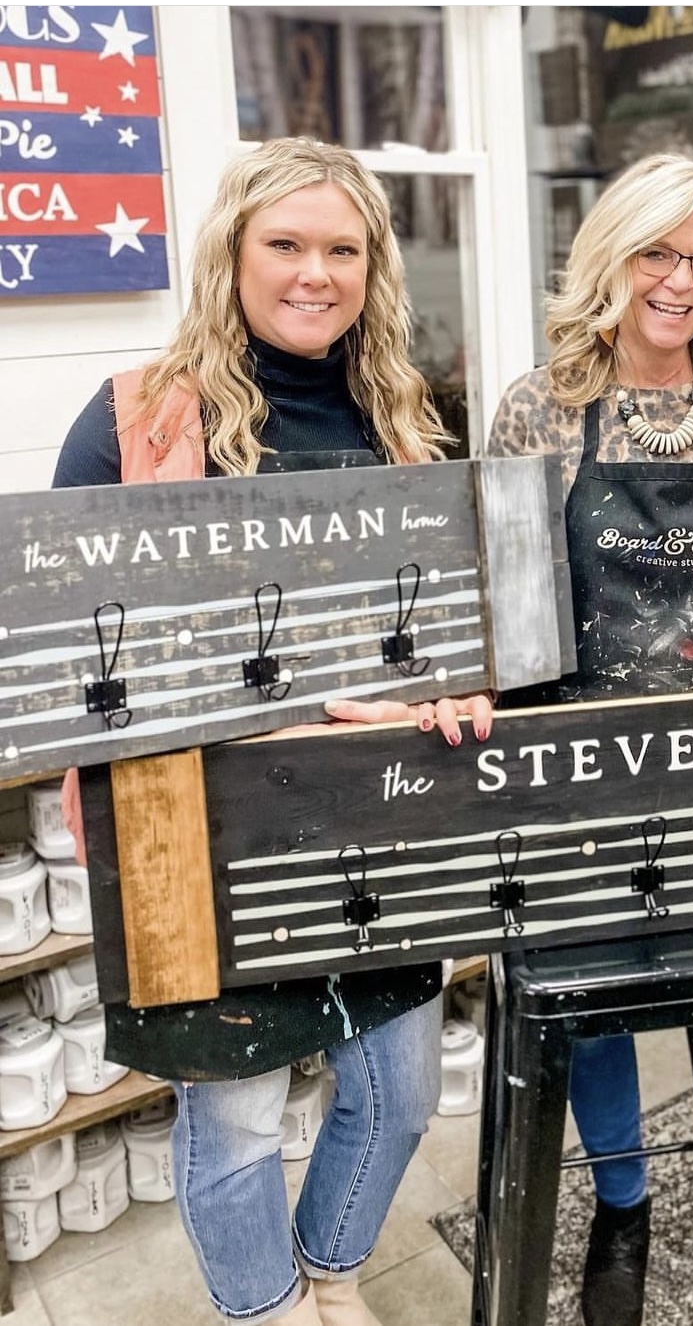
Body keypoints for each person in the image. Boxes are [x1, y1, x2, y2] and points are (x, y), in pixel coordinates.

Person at [337, 152, 693, 1326]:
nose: (681, 279)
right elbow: (507, 598)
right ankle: (624, 1204)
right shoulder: (540, 402)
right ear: (611, 258)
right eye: (656, 251)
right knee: (600, 1009)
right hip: (588, 767)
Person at [53, 137, 452, 1326]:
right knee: (233, 1108)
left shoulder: (409, 421)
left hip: (379, 822)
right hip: (200, 833)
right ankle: (266, 1307)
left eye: (343, 247)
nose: (315, 272)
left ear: (373, 265)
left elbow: (443, 625)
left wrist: (454, 686)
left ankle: (332, 1272)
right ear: (232, 251)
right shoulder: (133, 417)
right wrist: (287, 699)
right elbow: (75, 652)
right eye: (286, 243)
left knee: (404, 1085)